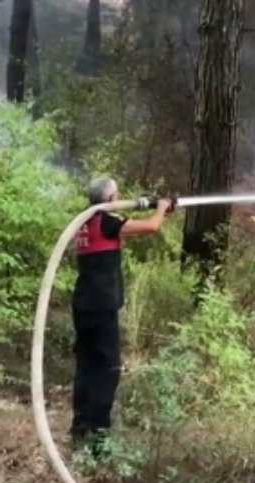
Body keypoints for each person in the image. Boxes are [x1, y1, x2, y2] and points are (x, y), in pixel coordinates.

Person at [70, 176, 172, 458]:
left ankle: (79, 429)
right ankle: (100, 439)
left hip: (83, 305)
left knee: (86, 367)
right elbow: (152, 226)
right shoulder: (106, 221)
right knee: (108, 370)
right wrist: (161, 207)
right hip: (102, 307)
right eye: (117, 195)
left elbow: (119, 225)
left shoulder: (84, 222)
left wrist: (153, 205)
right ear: (111, 198)